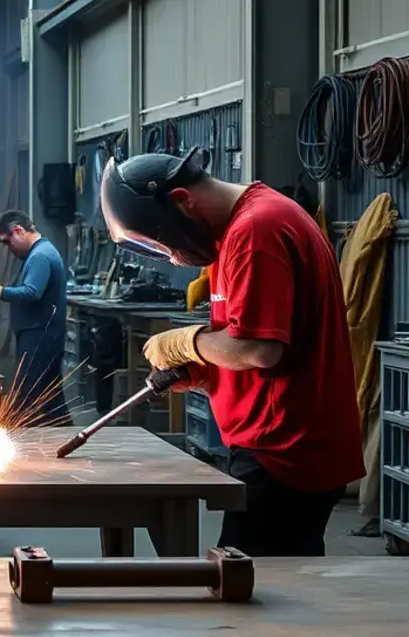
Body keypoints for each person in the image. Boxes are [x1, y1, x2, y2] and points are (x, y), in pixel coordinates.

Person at [100, 147, 365, 556]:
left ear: (182, 201)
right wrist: (205, 370)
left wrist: (183, 341)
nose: (173, 256)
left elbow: (260, 350)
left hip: (283, 449)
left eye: (166, 243)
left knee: (254, 591)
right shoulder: (239, 230)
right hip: (275, 440)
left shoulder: (257, 230)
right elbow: (256, 338)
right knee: (272, 584)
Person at [0, 209, 71, 425]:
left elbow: (32, 292)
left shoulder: (40, 256)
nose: (8, 248)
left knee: (26, 395)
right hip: (44, 333)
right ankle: (65, 434)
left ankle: (16, 440)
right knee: (51, 397)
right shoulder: (41, 251)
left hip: (39, 334)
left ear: (19, 231)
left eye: (7, 241)